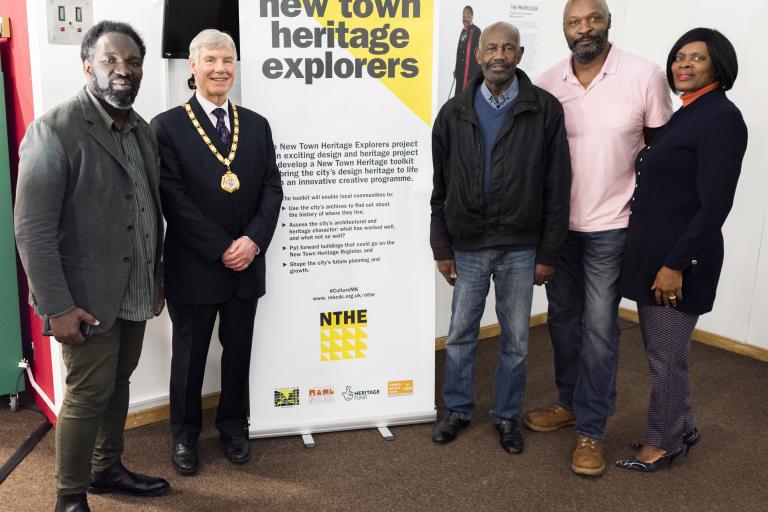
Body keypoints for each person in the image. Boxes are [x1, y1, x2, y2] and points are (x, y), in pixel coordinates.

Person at [14, 20, 168, 512]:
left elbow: (146, 210)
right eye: (110, 60)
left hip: (134, 288)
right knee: (86, 393)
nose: (123, 70)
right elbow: (32, 230)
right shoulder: (54, 130)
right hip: (84, 298)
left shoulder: (142, 129)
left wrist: (154, 277)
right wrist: (57, 306)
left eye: (132, 62)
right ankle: (70, 495)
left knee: (118, 383)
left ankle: (107, 467)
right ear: (88, 67)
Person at [525, 0, 672, 476]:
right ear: (563, 29)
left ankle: (591, 430)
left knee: (600, 330)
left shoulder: (644, 75)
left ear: (608, 21)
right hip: (558, 229)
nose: (583, 28)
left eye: (593, 19)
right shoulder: (548, 82)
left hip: (612, 226)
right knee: (563, 323)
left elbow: (662, 155)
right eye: (573, 21)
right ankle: (569, 402)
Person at [430, 22, 571, 454]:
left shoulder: (544, 109)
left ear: (520, 53)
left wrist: (549, 251)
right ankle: (456, 409)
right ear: (478, 55)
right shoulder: (454, 111)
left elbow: (557, 184)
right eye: (491, 47)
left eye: (508, 47)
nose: (499, 54)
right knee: (460, 335)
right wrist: (442, 245)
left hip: (521, 247)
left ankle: (507, 417)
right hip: (468, 244)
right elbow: (442, 184)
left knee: (516, 340)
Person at [151, 29, 283, 476]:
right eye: (210, 60)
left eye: (227, 60)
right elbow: (172, 197)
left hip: (247, 264)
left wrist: (253, 241)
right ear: (192, 65)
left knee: (239, 350)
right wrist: (222, 246)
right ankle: (185, 435)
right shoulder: (166, 127)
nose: (220, 68)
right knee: (188, 357)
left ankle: (233, 426)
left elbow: (271, 188)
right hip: (195, 266)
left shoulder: (257, 124)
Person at [615, 28, 747, 472]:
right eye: (679, 58)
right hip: (654, 258)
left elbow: (715, 206)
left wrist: (675, 265)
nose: (683, 65)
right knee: (665, 353)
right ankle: (682, 425)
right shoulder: (686, 114)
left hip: (679, 262)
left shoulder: (721, 118)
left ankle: (664, 442)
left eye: (697, 59)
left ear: (718, 66)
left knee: (665, 358)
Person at [453, 5, 482, 95]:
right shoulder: (463, 31)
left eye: (467, 16)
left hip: (471, 72)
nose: (465, 18)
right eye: (464, 16)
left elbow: (479, 53)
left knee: (467, 95)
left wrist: (478, 72)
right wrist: (456, 69)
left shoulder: (476, 31)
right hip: (461, 71)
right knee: (458, 94)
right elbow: (459, 51)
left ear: (472, 16)